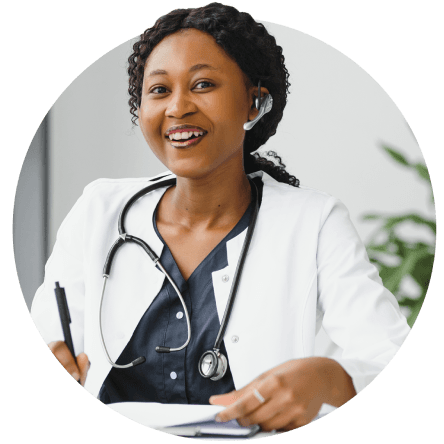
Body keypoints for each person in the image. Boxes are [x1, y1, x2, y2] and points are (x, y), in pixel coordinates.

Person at [31, 2, 410, 432]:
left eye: (203, 84)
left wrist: (328, 379)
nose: (178, 107)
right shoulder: (98, 210)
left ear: (254, 104)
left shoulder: (314, 223)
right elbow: (48, 345)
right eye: (159, 91)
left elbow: (392, 362)